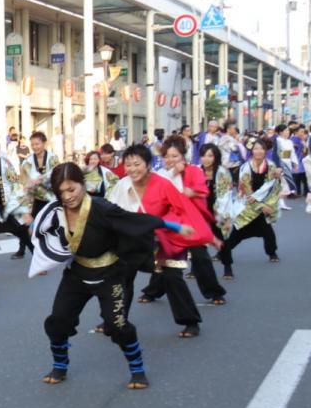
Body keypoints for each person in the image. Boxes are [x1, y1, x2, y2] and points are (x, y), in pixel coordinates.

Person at [35, 163, 197, 390]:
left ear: (83, 185)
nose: (67, 196)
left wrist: (174, 226)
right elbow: (42, 233)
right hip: (77, 275)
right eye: (61, 192)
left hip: (109, 273)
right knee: (58, 321)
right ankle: (60, 366)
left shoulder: (101, 208)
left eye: (72, 189)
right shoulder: (56, 212)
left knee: (117, 324)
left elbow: (135, 220)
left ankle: (137, 370)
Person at [107, 143, 213, 338]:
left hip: (162, 238)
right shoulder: (122, 185)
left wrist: (166, 227)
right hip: (133, 240)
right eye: (128, 165)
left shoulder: (163, 184)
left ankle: (190, 321)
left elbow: (180, 209)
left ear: (148, 164)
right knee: (123, 278)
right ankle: (116, 319)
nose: (132, 169)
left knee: (172, 277)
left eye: (137, 164)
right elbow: (111, 212)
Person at [140, 136, 226, 305]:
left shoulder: (194, 170)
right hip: (171, 224)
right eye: (167, 156)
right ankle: (152, 291)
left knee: (201, 257)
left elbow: (202, 191)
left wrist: (191, 192)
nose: (170, 160)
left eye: (175, 156)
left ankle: (214, 292)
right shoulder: (161, 174)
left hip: (192, 221)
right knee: (166, 259)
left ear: (183, 156)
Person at [218, 137, 282, 278]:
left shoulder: (270, 165)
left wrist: (267, 203)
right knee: (237, 232)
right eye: (256, 149)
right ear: (251, 151)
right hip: (247, 203)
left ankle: (272, 252)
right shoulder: (245, 167)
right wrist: (258, 204)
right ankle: (222, 252)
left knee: (267, 231)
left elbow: (271, 186)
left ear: (265, 151)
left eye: (261, 148)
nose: (258, 151)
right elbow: (245, 189)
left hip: (263, 202)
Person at [15, 131, 58, 257]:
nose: (35, 147)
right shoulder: (27, 162)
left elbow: (57, 175)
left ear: (44, 143)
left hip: (51, 197)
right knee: (28, 227)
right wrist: (28, 185)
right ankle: (27, 250)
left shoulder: (53, 158)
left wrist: (41, 179)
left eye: (37, 144)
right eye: (32, 144)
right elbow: (23, 181)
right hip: (35, 199)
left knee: (52, 227)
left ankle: (53, 252)